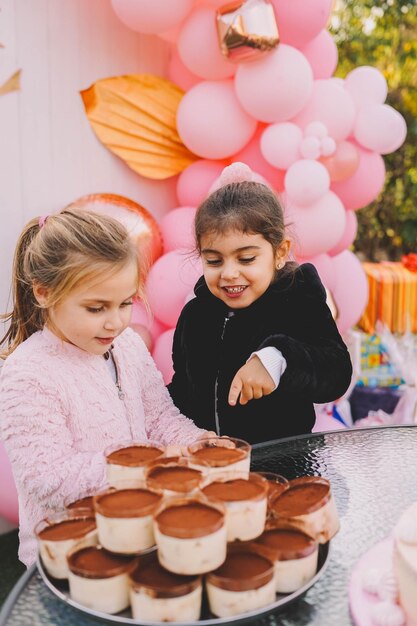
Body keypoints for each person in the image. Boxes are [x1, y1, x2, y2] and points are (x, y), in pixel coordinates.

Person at [0, 209, 212, 567]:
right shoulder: (28, 372)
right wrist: (149, 467)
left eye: (125, 303)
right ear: (44, 293)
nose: (116, 322)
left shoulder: (126, 345)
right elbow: (47, 479)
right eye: (96, 308)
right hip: (70, 559)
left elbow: (159, 417)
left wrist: (194, 442)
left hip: (140, 536)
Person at [168, 163, 353, 445]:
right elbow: (184, 389)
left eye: (246, 259)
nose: (229, 273)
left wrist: (277, 357)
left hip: (283, 470)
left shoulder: (298, 301)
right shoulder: (195, 315)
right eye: (214, 261)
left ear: (279, 252)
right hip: (214, 471)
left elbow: (335, 371)